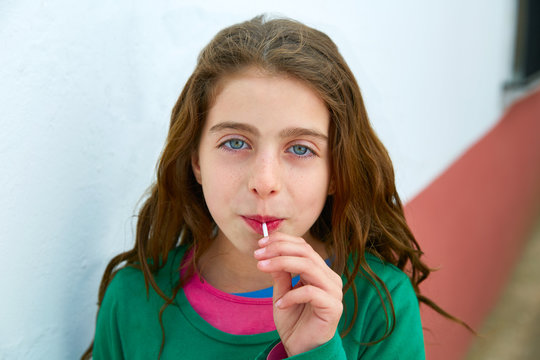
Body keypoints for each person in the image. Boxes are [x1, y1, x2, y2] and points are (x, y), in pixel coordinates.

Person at [82, 15, 465, 360]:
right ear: (196, 160)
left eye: (300, 148)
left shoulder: (380, 304)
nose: (264, 182)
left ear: (336, 173)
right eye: (235, 143)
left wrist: (315, 352)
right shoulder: (133, 298)